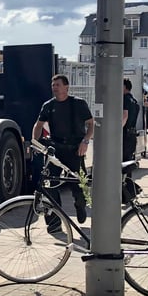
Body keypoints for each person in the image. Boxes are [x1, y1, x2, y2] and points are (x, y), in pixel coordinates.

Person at [33, 74, 95, 228]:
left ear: (66, 87)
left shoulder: (79, 104)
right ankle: (54, 222)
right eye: (53, 85)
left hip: (75, 150)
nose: (54, 87)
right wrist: (35, 143)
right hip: (56, 149)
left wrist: (85, 141)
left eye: (57, 85)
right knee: (49, 184)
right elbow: (38, 125)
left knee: (79, 185)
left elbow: (91, 124)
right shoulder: (49, 105)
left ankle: (80, 206)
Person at [123, 79, 141, 162]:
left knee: (123, 159)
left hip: (125, 133)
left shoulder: (124, 99)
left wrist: (118, 131)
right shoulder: (134, 101)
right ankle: (128, 175)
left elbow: (125, 116)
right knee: (128, 159)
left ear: (124, 87)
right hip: (132, 132)